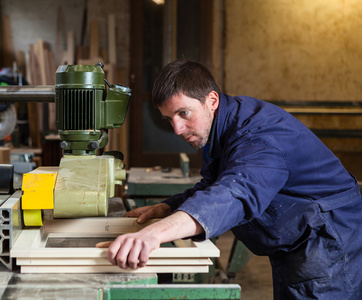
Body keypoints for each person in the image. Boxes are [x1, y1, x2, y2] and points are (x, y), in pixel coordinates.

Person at [99, 60, 362, 299]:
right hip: (298, 238)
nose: (177, 129)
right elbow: (216, 185)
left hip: (328, 239)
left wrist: (154, 233)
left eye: (183, 114)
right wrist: (170, 207)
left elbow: (236, 193)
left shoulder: (257, 137)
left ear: (211, 100)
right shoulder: (224, 125)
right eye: (169, 119)